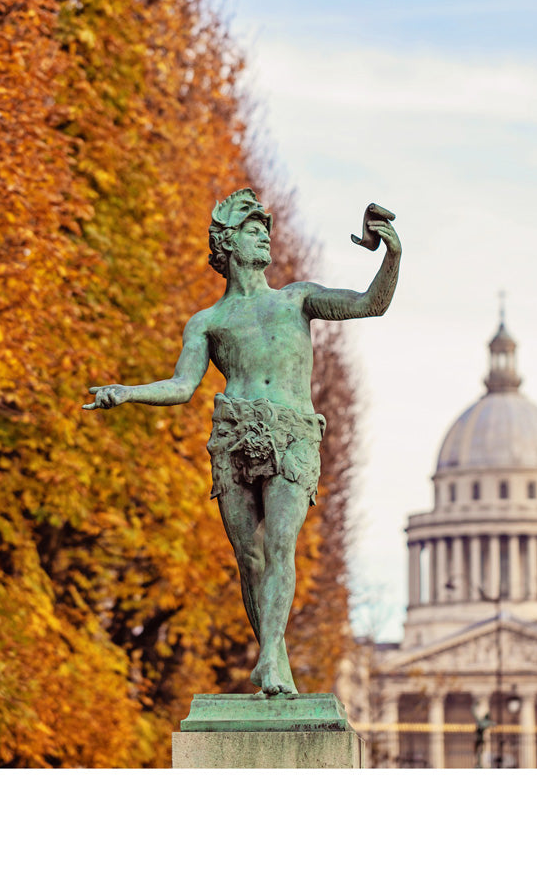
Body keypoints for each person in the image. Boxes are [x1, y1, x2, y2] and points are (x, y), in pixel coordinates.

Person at [84, 188, 400, 695]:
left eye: (266, 231)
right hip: (232, 434)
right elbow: (183, 386)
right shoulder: (207, 322)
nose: (266, 239)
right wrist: (126, 393)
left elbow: (371, 304)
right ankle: (275, 657)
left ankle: (270, 658)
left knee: (279, 543)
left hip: (291, 433)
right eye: (255, 232)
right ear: (228, 243)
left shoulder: (297, 299)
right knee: (249, 559)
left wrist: (393, 254)